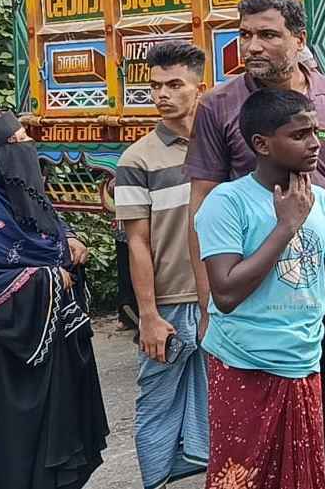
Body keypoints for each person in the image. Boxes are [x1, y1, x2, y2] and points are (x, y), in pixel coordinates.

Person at [184, 0, 325, 489]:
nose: (252, 46)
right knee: (254, 449)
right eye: (245, 35)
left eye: (267, 34)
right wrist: (205, 306)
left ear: (299, 40)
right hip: (255, 309)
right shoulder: (219, 107)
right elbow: (202, 209)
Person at [0, 110, 108, 489]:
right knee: (9, 458)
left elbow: (47, 225)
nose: (26, 147)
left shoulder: (17, 195)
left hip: (50, 356)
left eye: (28, 138)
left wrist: (70, 240)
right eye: (16, 142)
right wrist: (47, 278)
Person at [115, 43, 210, 488]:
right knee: (156, 400)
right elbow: (137, 243)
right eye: (155, 86)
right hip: (169, 304)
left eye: (175, 85)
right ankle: (155, 481)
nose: (162, 95)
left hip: (222, 299)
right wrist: (148, 316)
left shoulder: (223, 148)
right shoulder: (138, 159)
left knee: (223, 399)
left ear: (199, 88)